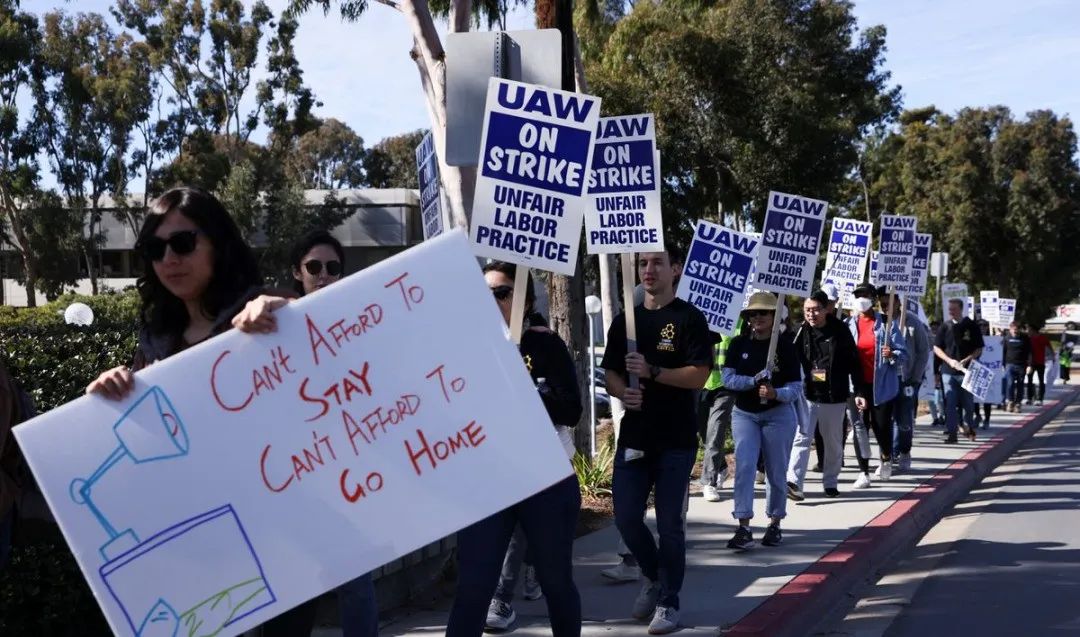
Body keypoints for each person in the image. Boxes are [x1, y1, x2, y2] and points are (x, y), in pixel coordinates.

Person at [84, 187, 324, 637]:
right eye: (155, 249)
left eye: (184, 243)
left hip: (285, 538)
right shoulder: (155, 338)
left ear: (218, 242)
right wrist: (112, 395)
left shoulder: (266, 311)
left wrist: (291, 314)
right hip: (196, 547)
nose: (169, 258)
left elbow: (338, 369)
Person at [232, 228, 379, 637]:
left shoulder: (354, 321)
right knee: (292, 587)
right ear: (298, 272)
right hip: (288, 479)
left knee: (357, 584)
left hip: (346, 475)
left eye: (332, 268)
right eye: (314, 267)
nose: (324, 274)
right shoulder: (273, 321)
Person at [602, 249, 711, 635]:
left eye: (657, 263)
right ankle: (652, 575)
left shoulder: (689, 318)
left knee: (670, 526)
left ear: (675, 269)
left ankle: (669, 601)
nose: (648, 270)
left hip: (676, 439)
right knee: (626, 517)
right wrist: (622, 392)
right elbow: (610, 373)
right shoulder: (625, 321)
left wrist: (654, 371)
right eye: (643, 263)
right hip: (635, 436)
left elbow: (698, 375)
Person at [722, 291, 801, 547]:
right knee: (744, 467)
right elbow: (728, 379)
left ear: (774, 315)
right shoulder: (738, 344)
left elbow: (797, 387)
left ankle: (775, 522)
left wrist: (776, 393)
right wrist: (752, 381)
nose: (757, 317)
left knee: (776, 472)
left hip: (777, 416)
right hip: (745, 413)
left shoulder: (786, 346)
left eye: (764, 312)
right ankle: (743, 526)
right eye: (753, 313)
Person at [786, 291, 862, 500]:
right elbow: (791, 359)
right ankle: (794, 482)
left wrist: (859, 390)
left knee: (832, 441)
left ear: (826, 309)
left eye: (815, 310)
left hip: (834, 396)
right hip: (808, 394)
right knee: (801, 438)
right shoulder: (801, 332)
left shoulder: (840, 331)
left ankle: (830, 481)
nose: (811, 314)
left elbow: (853, 362)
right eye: (807, 310)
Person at [846, 284, 906, 487]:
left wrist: (892, 355)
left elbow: (903, 354)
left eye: (865, 295)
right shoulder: (848, 325)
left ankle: (886, 457)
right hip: (856, 386)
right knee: (860, 427)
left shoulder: (886, 325)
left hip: (881, 386)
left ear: (873, 299)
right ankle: (864, 472)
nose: (861, 299)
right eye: (858, 295)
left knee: (881, 427)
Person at [698, 324, 739, 503]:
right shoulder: (697, 316)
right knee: (704, 434)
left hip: (725, 386)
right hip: (699, 384)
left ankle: (709, 481)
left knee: (715, 431)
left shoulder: (738, 319)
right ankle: (721, 466)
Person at [934, 298, 984, 443]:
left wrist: (966, 360)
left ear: (961, 309)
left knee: (968, 404)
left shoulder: (971, 325)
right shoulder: (945, 326)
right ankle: (952, 433)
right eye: (949, 309)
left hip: (967, 372)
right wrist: (949, 361)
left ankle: (970, 428)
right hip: (948, 372)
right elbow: (937, 348)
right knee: (950, 403)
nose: (951, 312)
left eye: (954, 309)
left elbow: (979, 348)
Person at [889, 295, 929, 473]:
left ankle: (903, 451)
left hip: (907, 379)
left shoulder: (912, 323)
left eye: (889, 302)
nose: (885, 306)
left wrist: (915, 377)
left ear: (898, 302)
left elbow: (923, 352)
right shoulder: (880, 322)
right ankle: (889, 454)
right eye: (882, 303)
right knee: (886, 420)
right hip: (886, 380)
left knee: (904, 420)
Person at [1002, 321, 1031, 413]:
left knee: (1020, 384)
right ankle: (1010, 401)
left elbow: (1029, 352)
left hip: (1021, 365)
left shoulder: (1025, 338)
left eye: (1016, 329)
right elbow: (1003, 352)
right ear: (1010, 329)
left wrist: (1029, 365)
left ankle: (1018, 403)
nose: (1015, 331)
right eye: (1013, 329)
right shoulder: (1006, 338)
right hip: (1009, 365)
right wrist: (1003, 365)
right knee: (1010, 384)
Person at [1026, 325, 1051, 405]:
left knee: (1041, 381)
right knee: (1029, 381)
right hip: (1031, 363)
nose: (1028, 332)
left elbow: (1049, 348)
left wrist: (1052, 357)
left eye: (1029, 330)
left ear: (1034, 331)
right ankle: (1030, 398)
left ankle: (1040, 399)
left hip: (1040, 362)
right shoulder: (1028, 339)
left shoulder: (1042, 338)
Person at [927, 321, 945, 426]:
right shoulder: (927, 340)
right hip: (929, 371)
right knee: (930, 397)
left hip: (939, 370)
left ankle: (942, 415)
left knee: (939, 397)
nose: (934, 330)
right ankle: (935, 417)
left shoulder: (942, 341)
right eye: (932, 328)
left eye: (936, 328)